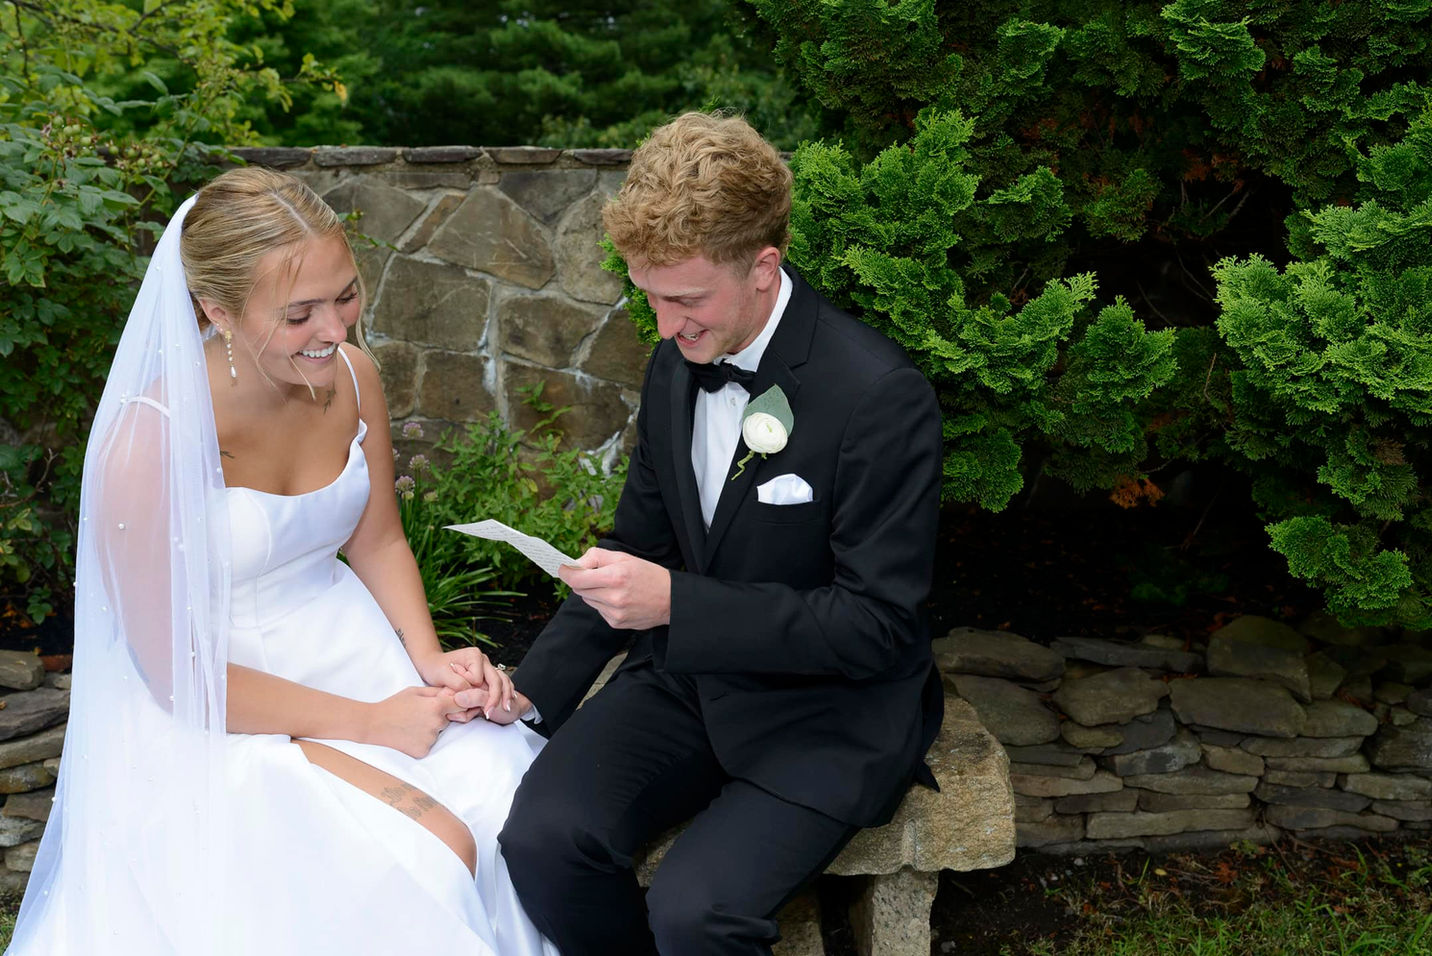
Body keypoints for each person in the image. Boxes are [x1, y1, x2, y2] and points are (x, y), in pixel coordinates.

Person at [7, 167, 559, 955]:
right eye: (300, 313)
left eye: (346, 296)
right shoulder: (149, 441)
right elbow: (173, 676)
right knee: (421, 860)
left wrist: (429, 660)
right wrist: (375, 725)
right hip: (220, 712)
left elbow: (378, 539)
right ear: (218, 311)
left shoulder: (353, 377)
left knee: (509, 801)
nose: (335, 330)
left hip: (353, 650)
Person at [477, 112, 945, 955]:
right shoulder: (675, 364)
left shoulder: (879, 395)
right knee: (542, 842)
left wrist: (678, 603)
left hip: (828, 714)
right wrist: (532, 694)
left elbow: (878, 625)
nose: (663, 326)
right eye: (648, 296)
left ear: (763, 267)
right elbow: (637, 549)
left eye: (685, 299)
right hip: (687, 684)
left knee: (698, 914)